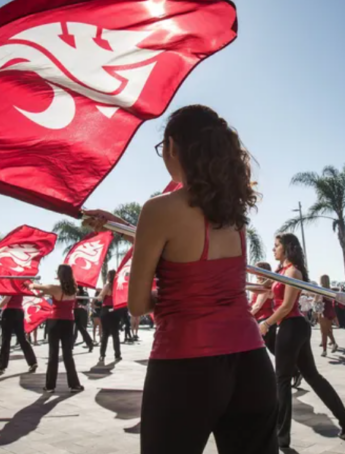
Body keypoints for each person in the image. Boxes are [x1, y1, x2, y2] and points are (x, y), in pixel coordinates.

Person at [85, 105, 279, 453]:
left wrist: (178, 298)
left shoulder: (158, 209)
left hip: (186, 365)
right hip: (252, 362)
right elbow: (195, 256)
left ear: (173, 146)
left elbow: (137, 303)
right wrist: (124, 226)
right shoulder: (233, 211)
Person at [261, 234, 345, 447]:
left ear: (286, 248)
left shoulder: (293, 272)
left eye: (276, 246)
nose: (273, 249)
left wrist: (266, 323)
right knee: (312, 376)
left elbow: (286, 306)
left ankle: (281, 435)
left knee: (282, 379)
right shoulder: (282, 272)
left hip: (292, 326)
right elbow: (272, 294)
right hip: (293, 327)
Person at [29, 265, 84, 393]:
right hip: (68, 322)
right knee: (68, 354)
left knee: (53, 354)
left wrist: (27, 282)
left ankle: (50, 386)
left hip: (55, 322)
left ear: (60, 275)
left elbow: (33, 286)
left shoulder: (54, 288)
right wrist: (44, 292)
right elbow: (48, 291)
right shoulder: (74, 289)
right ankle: (74, 385)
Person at [0, 291, 38, 374]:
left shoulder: (11, 286)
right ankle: (32, 362)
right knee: (22, 338)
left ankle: (2, 366)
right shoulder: (19, 287)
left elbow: (6, 299)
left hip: (9, 312)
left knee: (6, 339)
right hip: (19, 311)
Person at [250, 262, 276, 354]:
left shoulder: (266, 286)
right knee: (273, 349)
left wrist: (245, 316)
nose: (254, 272)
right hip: (261, 319)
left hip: (263, 319)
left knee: (268, 349)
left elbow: (257, 305)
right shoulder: (260, 285)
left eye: (256, 269)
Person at [97, 272, 121, 364]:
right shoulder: (118, 286)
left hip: (106, 311)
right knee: (115, 334)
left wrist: (99, 295)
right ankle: (117, 355)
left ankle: (102, 355)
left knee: (105, 333)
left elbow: (101, 297)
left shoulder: (107, 285)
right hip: (115, 310)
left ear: (110, 276)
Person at [317, 275, 339, 357]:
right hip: (327, 311)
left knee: (324, 332)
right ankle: (333, 344)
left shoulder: (323, 290)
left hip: (324, 311)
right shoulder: (328, 290)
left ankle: (325, 350)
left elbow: (320, 300)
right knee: (327, 331)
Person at [72, 286, 94, 351]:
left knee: (82, 329)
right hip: (75, 311)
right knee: (74, 328)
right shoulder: (73, 292)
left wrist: (78, 298)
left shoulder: (84, 293)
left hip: (81, 311)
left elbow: (85, 302)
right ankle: (71, 344)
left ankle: (90, 343)